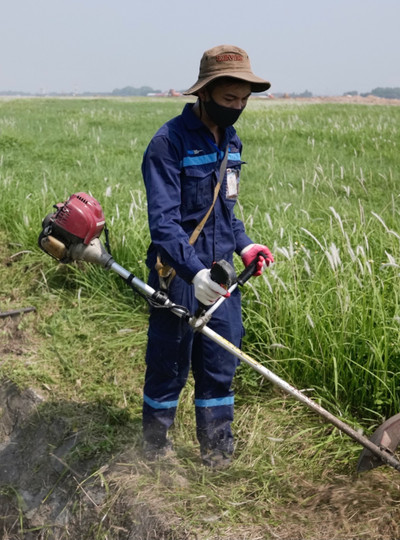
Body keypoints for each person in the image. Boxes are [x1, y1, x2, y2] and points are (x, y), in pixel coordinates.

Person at [140, 45, 276, 468]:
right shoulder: (168, 143)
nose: (236, 108)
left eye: (243, 101)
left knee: (220, 361)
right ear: (205, 94)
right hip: (178, 273)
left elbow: (225, 212)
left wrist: (247, 245)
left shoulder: (231, 141)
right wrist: (193, 271)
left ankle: (216, 451)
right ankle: (154, 447)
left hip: (222, 274)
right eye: (228, 99)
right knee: (170, 362)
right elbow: (163, 223)